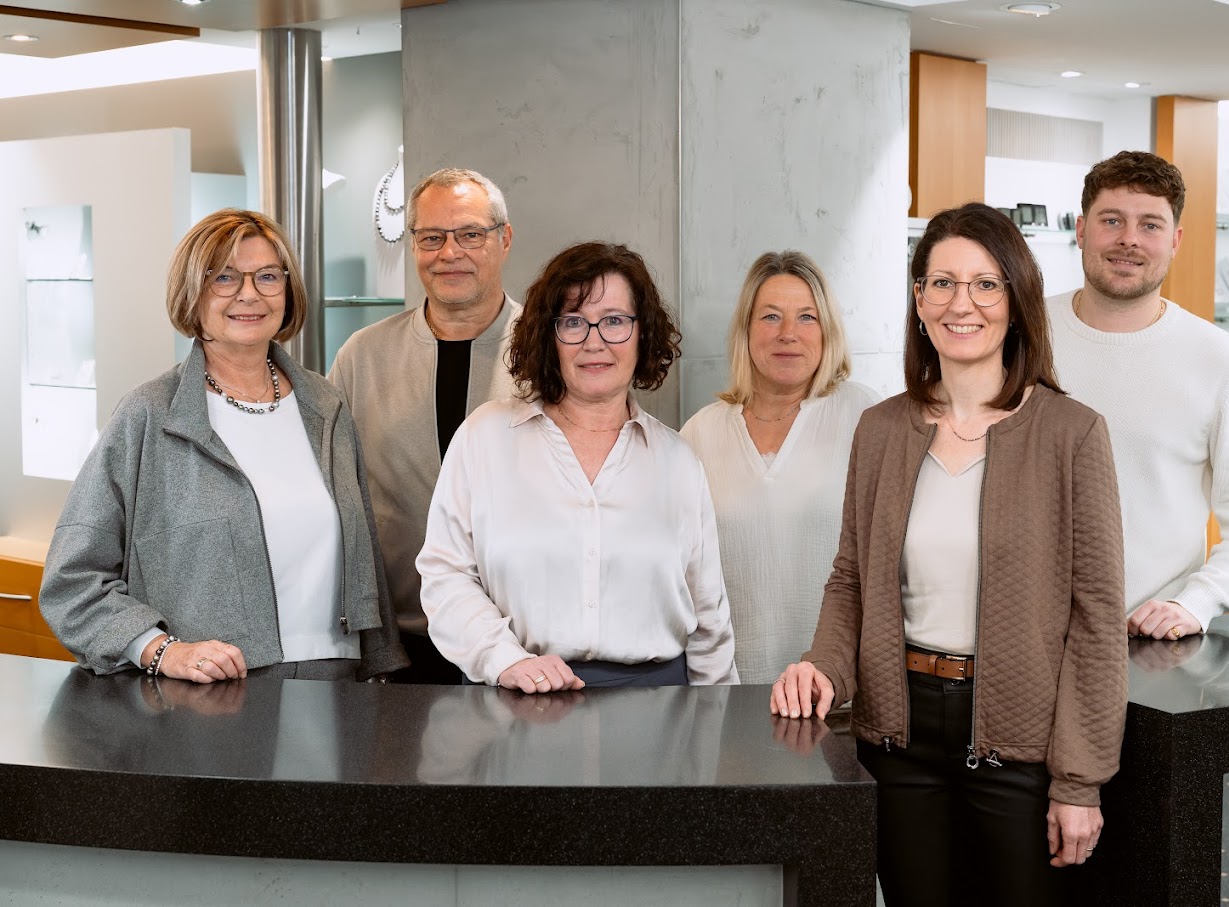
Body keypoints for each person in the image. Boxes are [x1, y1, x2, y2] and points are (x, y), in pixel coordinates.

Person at [772, 203, 1128, 906]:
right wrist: (822, 665)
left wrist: (1080, 779)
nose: (960, 303)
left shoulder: (1072, 434)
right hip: (898, 737)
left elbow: (1096, 620)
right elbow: (851, 580)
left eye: (984, 284)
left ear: (1016, 300)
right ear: (918, 299)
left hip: (1019, 745)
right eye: (941, 283)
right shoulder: (881, 429)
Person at [40, 209, 406, 683]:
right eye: (225, 277)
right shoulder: (147, 416)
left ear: (288, 291)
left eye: (268, 276)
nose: (249, 294)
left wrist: (383, 664)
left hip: (336, 679)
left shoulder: (326, 404)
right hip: (211, 695)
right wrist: (161, 650)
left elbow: (365, 557)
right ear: (192, 294)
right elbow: (71, 581)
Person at [417, 241, 739, 691]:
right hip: (518, 702)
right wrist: (504, 659)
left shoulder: (677, 461)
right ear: (547, 336)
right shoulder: (484, 438)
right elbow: (445, 575)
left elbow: (710, 621)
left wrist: (716, 728)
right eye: (573, 322)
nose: (594, 342)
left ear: (642, 332)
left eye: (614, 321)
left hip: (660, 714)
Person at [1048, 150, 1229, 640]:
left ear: (1175, 241)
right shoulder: (1021, 334)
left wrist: (1196, 602)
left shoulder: (1221, 362)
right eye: (1111, 220)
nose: (1129, 239)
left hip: (1143, 644)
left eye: (1150, 225)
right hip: (1016, 637)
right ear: (1080, 229)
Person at [329, 167, 520, 684]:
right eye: (431, 237)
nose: (448, 253)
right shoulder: (361, 358)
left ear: (504, 239)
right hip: (401, 646)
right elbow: (333, 497)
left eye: (470, 235)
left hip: (524, 644)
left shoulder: (556, 350)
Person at [680, 251, 877, 683]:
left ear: (828, 330)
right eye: (770, 317)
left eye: (807, 317)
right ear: (745, 330)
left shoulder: (867, 418)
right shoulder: (698, 435)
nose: (788, 334)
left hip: (840, 697)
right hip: (728, 697)